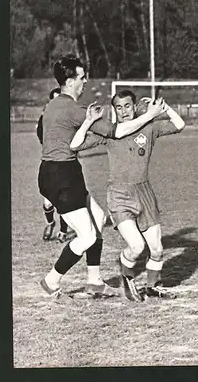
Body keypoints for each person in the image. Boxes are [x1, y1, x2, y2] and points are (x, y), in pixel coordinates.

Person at [38, 54, 165, 301]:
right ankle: (51, 280)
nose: (85, 82)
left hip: (63, 173)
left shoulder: (52, 105)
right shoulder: (73, 108)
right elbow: (117, 131)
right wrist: (150, 115)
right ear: (71, 81)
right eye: (82, 77)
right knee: (86, 235)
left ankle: (94, 281)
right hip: (61, 176)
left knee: (98, 218)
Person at [70, 90, 186, 302]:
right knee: (136, 246)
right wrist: (88, 122)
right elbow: (75, 145)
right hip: (119, 195)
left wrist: (164, 107)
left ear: (134, 107)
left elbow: (179, 125)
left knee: (157, 249)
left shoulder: (149, 127)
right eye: (119, 107)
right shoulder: (109, 133)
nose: (124, 111)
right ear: (114, 110)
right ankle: (127, 276)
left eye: (127, 106)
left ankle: (152, 286)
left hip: (144, 193)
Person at [36, 87, 70, 243]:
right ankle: (50, 223)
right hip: (50, 164)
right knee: (48, 202)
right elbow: (41, 137)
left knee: (63, 199)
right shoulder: (45, 119)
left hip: (66, 164)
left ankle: (63, 231)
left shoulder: (69, 118)